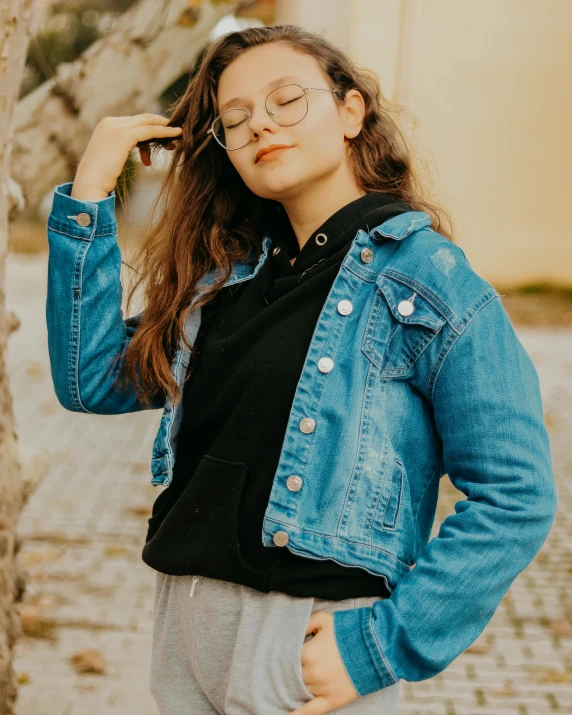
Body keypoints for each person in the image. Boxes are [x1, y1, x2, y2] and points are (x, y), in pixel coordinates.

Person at [45, 24, 557, 715]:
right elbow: (93, 378)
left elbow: (517, 493)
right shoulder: (223, 283)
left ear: (351, 113)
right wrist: (92, 188)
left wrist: (380, 644)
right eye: (235, 118)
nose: (260, 124)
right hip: (185, 627)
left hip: (305, 640)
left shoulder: (430, 283)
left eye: (286, 100)